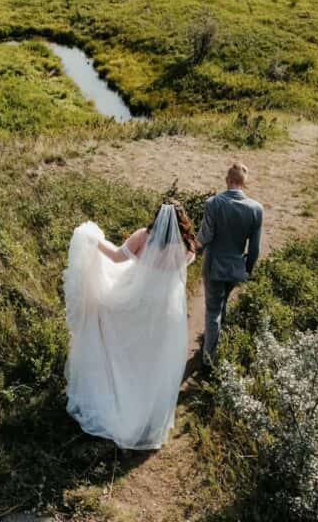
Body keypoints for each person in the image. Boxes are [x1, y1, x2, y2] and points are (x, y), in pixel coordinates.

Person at [63, 203, 196, 450]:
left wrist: (93, 239)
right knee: (150, 363)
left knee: (125, 352)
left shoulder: (143, 236)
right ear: (182, 222)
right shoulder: (187, 247)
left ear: (157, 218)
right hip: (166, 314)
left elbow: (115, 257)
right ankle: (144, 416)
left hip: (137, 306)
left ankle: (119, 402)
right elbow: (184, 264)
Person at [197, 162, 264, 367]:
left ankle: (209, 360)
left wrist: (192, 249)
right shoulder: (256, 209)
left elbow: (206, 236)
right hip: (236, 267)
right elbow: (254, 248)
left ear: (227, 180)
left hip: (214, 265)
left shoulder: (213, 203)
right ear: (244, 183)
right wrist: (248, 269)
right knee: (223, 304)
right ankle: (217, 345)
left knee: (212, 311)